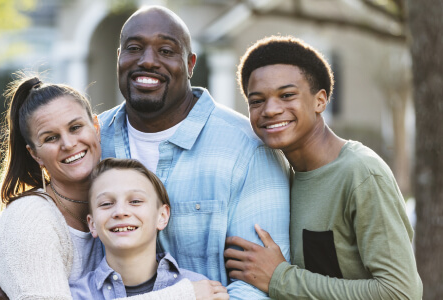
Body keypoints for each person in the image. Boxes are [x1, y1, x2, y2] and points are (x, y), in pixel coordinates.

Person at [97, 6, 291, 299]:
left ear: (190, 64)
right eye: (134, 48)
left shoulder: (246, 149)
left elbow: (257, 288)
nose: (147, 61)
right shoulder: (92, 141)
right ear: (119, 58)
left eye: (166, 50)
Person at [0, 76, 221, 300]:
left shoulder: (113, 196)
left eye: (76, 127)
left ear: (96, 127)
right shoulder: (29, 217)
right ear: (34, 154)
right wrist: (184, 295)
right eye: (51, 138)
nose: (68, 144)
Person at [224, 35, 423, 299]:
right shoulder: (277, 175)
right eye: (257, 101)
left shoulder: (361, 174)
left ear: (320, 100)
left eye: (286, 95)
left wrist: (280, 279)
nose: (270, 110)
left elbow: (400, 292)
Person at [70, 158, 228, 300]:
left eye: (136, 201)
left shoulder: (203, 290)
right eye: (106, 203)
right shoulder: (75, 295)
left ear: (162, 216)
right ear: (92, 224)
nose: (120, 212)